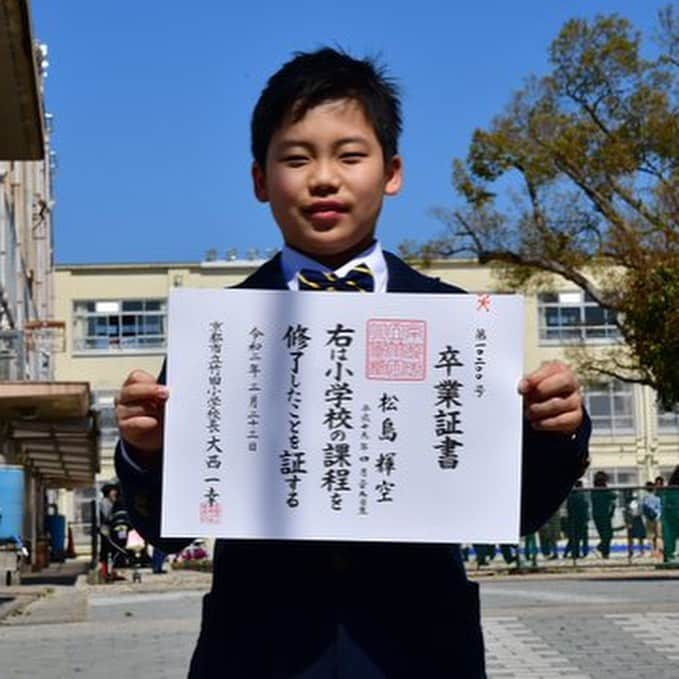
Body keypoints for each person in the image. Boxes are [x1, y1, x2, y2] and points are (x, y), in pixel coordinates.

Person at [114, 47, 591, 678]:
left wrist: (557, 430)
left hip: (420, 652)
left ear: (391, 172)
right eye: (295, 157)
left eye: (349, 154)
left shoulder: (456, 323)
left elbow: (516, 513)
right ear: (260, 180)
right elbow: (169, 533)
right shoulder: (221, 336)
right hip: (258, 653)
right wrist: (146, 452)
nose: (323, 178)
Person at [591, 470, 616, 559]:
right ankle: (601, 549)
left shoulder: (594, 490)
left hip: (598, 515)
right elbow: (614, 496)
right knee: (608, 535)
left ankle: (605, 553)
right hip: (604, 515)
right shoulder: (603, 490)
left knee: (604, 535)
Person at [563, 480, 589, 559]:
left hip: (573, 519)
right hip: (580, 519)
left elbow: (569, 508)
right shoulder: (581, 496)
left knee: (574, 538)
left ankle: (572, 553)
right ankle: (578, 553)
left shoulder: (571, 495)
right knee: (578, 537)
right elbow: (585, 507)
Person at [660, 466, 679, 564]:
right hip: (673, 513)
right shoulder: (671, 490)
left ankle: (669, 556)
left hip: (670, 514)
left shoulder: (669, 489)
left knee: (670, 536)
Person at [641, 481, 662, 557]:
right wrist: (657, 516)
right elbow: (660, 509)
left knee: (650, 536)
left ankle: (652, 551)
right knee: (658, 536)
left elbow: (643, 509)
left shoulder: (645, 498)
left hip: (648, 519)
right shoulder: (657, 498)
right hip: (657, 518)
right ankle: (658, 551)